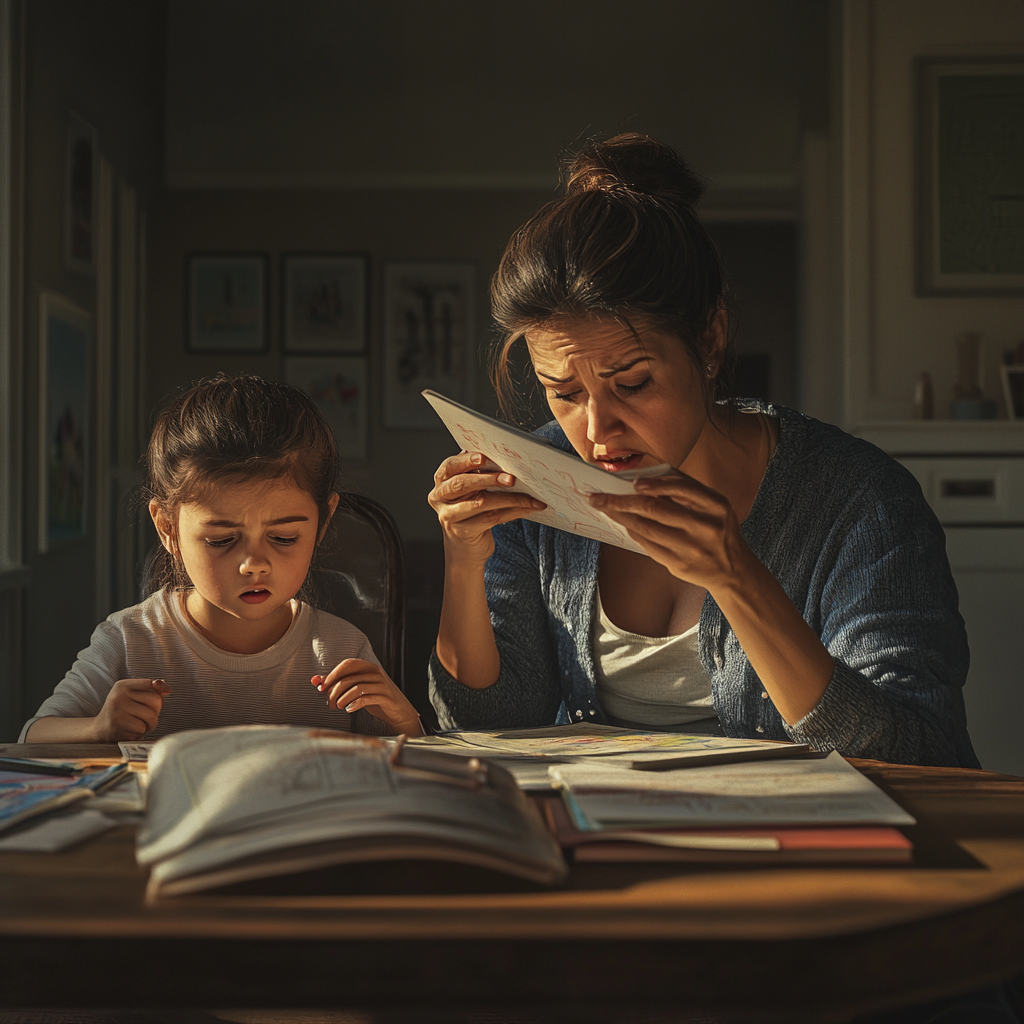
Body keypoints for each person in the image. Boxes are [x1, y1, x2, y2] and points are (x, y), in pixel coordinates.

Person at [427, 133, 979, 769]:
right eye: (564, 392)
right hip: (605, 839)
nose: (599, 432)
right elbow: (485, 728)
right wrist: (464, 561)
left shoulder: (860, 502)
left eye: (633, 384)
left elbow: (923, 755)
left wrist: (737, 577)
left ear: (710, 341)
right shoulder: (536, 481)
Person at [22, 374, 422, 742]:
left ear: (323, 522)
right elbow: (32, 737)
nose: (254, 564)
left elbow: (406, 761)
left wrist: (406, 721)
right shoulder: (130, 641)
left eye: (283, 537)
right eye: (221, 539)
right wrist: (97, 726)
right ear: (167, 528)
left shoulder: (342, 648)